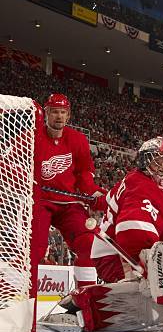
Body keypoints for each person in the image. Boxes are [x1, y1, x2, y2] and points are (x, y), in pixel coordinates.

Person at [40, 137, 163, 332]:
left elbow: (161, 242)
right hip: (116, 253)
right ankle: (83, 308)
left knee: (150, 294)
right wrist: (147, 267)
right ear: (145, 161)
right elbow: (132, 232)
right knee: (141, 295)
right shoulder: (140, 184)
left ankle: (83, 301)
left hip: (125, 252)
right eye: (159, 160)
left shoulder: (157, 193)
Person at [32, 93, 106, 290]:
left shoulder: (78, 139)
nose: (58, 116)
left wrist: (92, 193)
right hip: (40, 201)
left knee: (89, 242)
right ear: (45, 113)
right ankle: (25, 302)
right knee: (34, 249)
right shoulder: (32, 136)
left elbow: (84, 173)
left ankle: (86, 296)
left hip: (69, 203)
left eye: (62, 112)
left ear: (68, 116)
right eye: (54, 111)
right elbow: (11, 162)